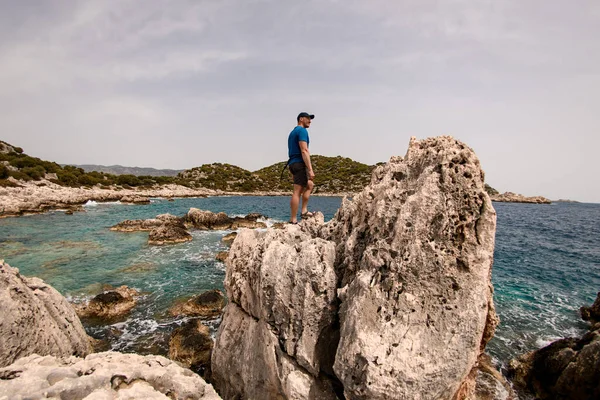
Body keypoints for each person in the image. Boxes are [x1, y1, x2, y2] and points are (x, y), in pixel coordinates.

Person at [287, 112, 315, 224]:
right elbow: (304, 150)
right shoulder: (302, 131)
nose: (310, 121)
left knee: (309, 184)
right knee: (297, 191)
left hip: (292, 164)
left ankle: (304, 211)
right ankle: (293, 219)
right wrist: (310, 169)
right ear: (301, 119)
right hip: (299, 163)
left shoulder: (292, 132)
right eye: (308, 118)